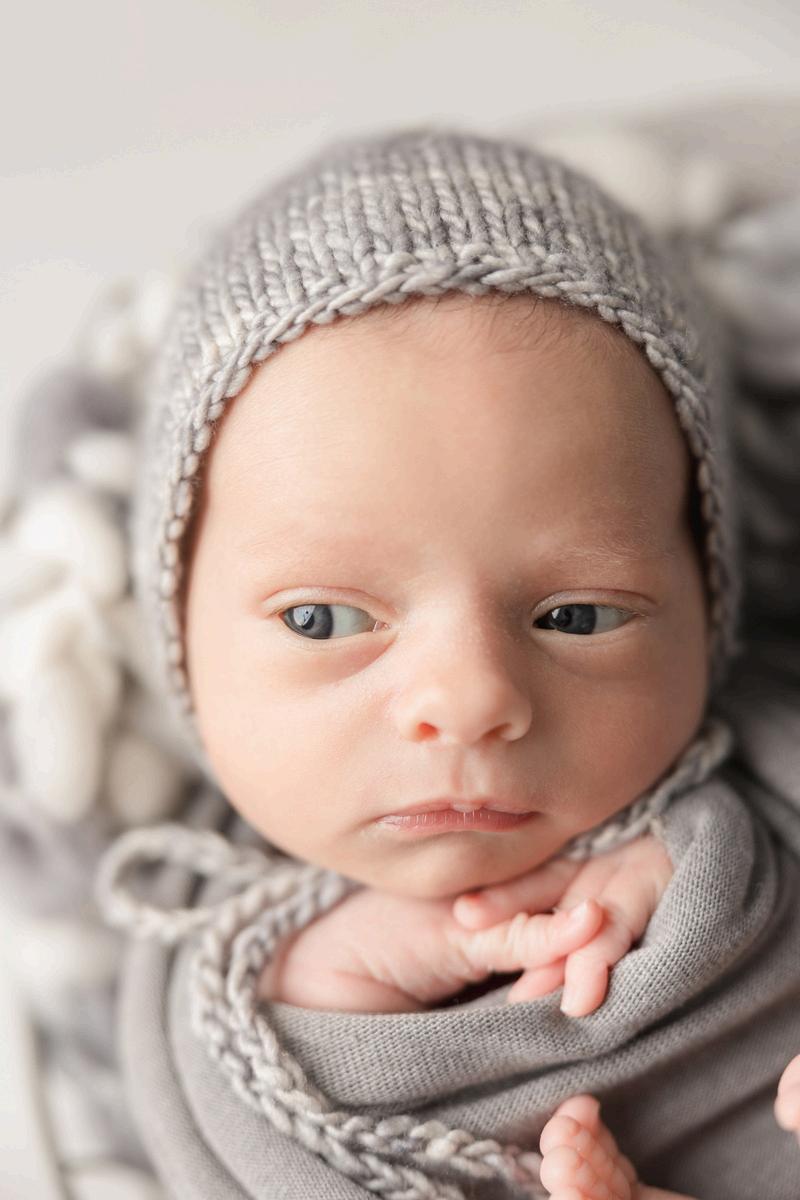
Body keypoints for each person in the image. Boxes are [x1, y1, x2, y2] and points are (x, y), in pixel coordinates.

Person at [95, 125, 800, 1199]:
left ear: (708, 610)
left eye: (577, 615)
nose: (467, 700)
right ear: (178, 639)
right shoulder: (186, 969)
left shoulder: (773, 788)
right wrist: (317, 990)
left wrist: (685, 857)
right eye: (322, 620)